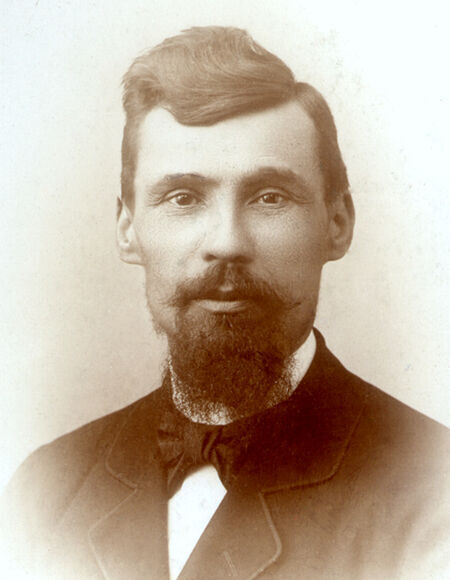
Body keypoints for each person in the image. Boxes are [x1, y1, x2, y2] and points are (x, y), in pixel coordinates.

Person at [1, 26, 448, 580]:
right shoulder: (43, 494)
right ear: (127, 229)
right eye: (183, 198)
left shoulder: (435, 496)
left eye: (269, 197)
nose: (228, 243)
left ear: (337, 223)